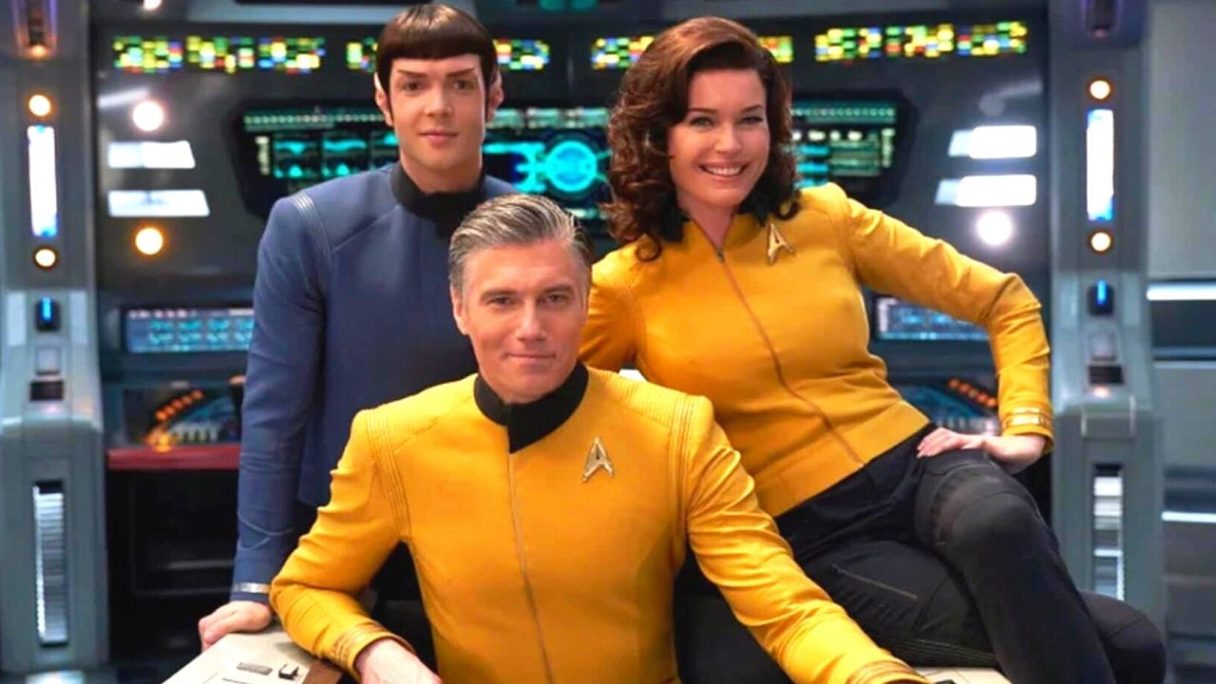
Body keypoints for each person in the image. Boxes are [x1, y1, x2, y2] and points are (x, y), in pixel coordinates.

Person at [581, 16, 1165, 684]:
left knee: (999, 521)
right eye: (702, 122)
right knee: (1130, 645)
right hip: (812, 529)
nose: (730, 144)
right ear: (659, 135)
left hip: (919, 462)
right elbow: (567, 412)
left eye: (750, 120)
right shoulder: (623, 285)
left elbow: (1005, 300)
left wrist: (1027, 428)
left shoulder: (825, 216)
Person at [270, 193, 929, 684]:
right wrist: (376, 653)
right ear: (460, 308)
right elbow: (304, 587)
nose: (531, 327)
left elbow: (784, 605)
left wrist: (874, 676)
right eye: (502, 301)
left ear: (586, 303)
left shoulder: (677, 429)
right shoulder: (392, 440)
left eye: (555, 298)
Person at [197, 3, 513, 654]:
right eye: (414, 85)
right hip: (345, 553)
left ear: (493, 95)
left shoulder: (536, 229)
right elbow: (274, 415)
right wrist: (254, 582)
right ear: (383, 101)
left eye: (460, 83)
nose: (438, 107)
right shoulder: (309, 226)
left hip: (498, 544)